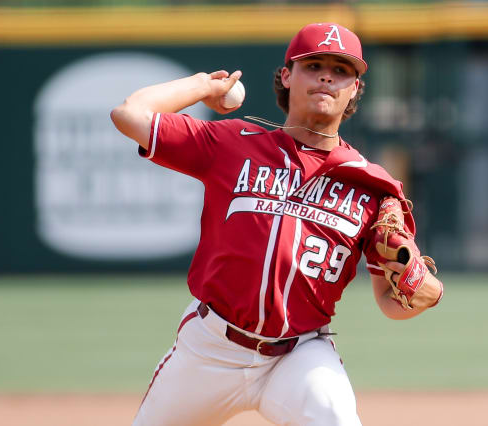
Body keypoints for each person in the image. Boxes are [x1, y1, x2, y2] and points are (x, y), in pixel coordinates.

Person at [111, 22, 442, 426]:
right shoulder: (232, 143)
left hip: (299, 356)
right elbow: (130, 114)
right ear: (287, 76)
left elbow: (390, 303)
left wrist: (427, 291)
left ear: (355, 88)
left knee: (336, 418)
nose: (326, 76)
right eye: (313, 65)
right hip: (211, 348)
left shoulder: (373, 186)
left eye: (341, 70)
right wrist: (203, 85)